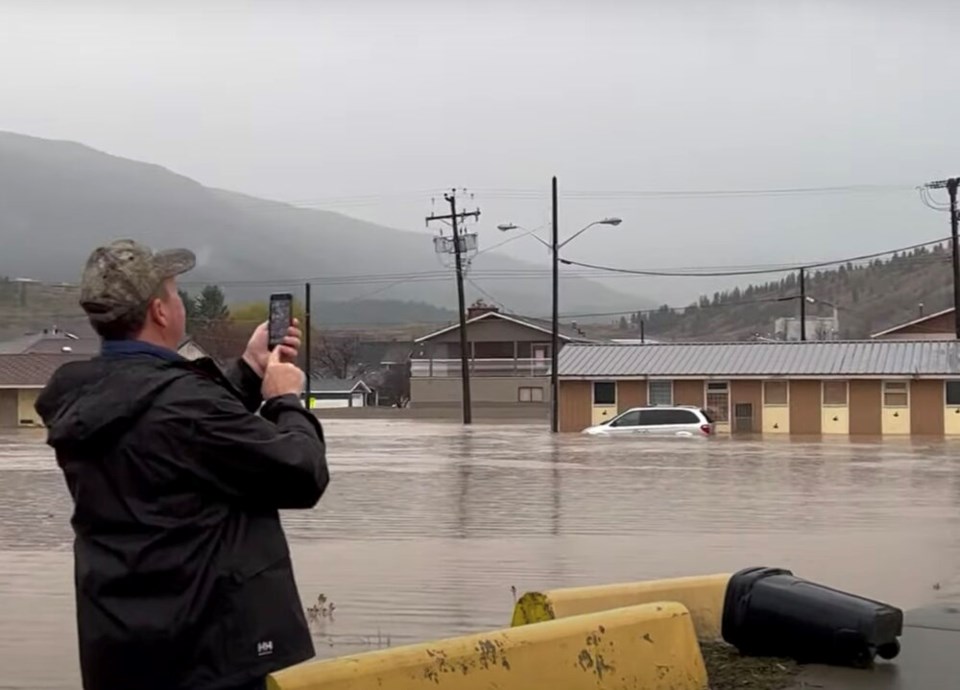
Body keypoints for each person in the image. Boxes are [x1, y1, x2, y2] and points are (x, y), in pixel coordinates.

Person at [35, 239, 329, 690]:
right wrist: (285, 400)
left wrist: (249, 370)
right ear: (159, 311)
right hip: (207, 656)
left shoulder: (81, 398)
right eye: (176, 294)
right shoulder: (184, 405)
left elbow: (188, 442)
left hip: (119, 653)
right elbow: (300, 473)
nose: (181, 305)